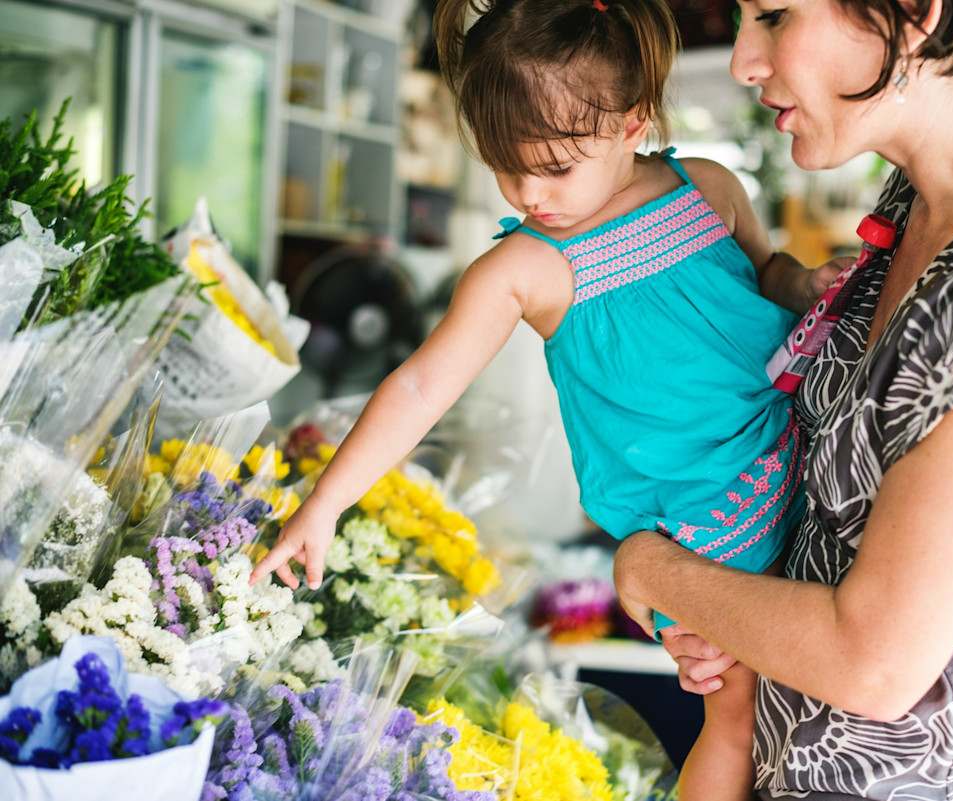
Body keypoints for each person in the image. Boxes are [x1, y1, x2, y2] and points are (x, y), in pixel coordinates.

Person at [250, 0, 838, 798]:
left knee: (814, 698)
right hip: (705, 532)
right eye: (506, 165)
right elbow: (420, 384)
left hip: (803, 457)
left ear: (633, 122)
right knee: (738, 716)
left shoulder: (707, 186)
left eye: (556, 167)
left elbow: (764, 274)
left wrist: (804, 282)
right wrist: (325, 504)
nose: (529, 192)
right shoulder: (524, 267)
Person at [612, 1, 953, 799]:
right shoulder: (927, 194)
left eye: (774, 15)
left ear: (913, 13)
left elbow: (874, 661)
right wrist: (736, 610)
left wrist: (656, 570)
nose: (744, 60)